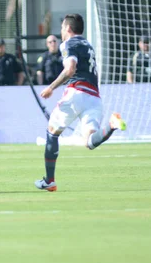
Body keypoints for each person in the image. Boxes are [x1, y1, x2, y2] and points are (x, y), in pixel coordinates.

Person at [34, 14, 127, 192]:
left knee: (52, 133)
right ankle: (112, 124)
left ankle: (50, 180)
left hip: (76, 93)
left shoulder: (69, 44)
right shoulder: (88, 45)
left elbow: (70, 69)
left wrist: (51, 87)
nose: (61, 31)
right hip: (94, 98)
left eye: (62, 27)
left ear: (68, 28)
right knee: (90, 141)